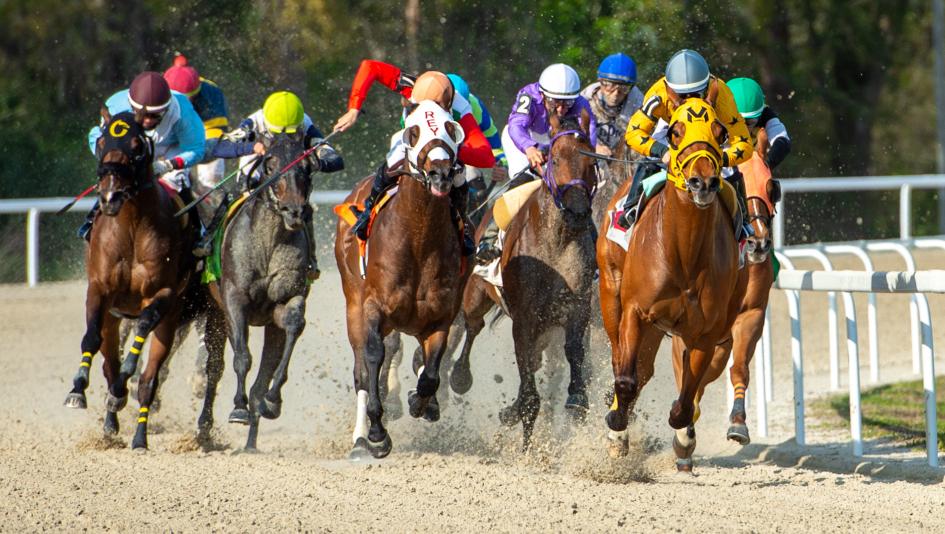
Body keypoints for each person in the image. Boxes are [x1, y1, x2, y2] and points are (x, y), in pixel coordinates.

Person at [336, 65, 495, 252]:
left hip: (444, 149)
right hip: (412, 142)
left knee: (459, 179)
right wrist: (354, 108)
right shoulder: (412, 85)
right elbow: (370, 67)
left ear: (448, 104)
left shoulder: (461, 108)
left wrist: (451, 149)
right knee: (391, 164)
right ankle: (368, 212)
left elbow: (487, 157)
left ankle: (463, 228)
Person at [201, 91, 344, 279]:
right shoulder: (254, 122)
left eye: (291, 134)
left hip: (288, 177)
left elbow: (335, 159)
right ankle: (208, 241)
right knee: (232, 198)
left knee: (304, 207)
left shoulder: (305, 123)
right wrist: (250, 147)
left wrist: (317, 161)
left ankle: (311, 259)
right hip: (255, 170)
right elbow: (220, 147)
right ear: (267, 123)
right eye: (278, 133)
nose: (284, 137)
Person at [617, 49, 754, 230]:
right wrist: (661, 151)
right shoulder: (658, 93)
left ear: (707, 86)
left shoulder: (722, 94)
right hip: (674, 130)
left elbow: (745, 144)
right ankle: (631, 207)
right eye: (682, 96)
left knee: (731, 172)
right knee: (649, 159)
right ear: (670, 90)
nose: (690, 100)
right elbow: (633, 132)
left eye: (698, 93)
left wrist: (721, 158)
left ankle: (744, 222)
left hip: (708, 136)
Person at [476, 63, 598, 262]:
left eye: (567, 103)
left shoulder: (581, 104)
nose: (561, 109)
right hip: (523, 140)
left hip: (558, 146)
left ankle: (594, 248)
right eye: (555, 102)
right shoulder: (529, 96)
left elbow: (589, 139)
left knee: (576, 190)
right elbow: (516, 127)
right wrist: (530, 148)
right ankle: (488, 238)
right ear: (542, 95)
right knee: (524, 182)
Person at [79, 71, 205, 240]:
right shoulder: (116, 107)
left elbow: (196, 149)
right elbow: (96, 137)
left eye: (155, 115)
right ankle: (91, 221)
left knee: (178, 181)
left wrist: (169, 165)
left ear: (167, 108)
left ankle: (197, 231)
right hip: (133, 148)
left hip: (169, 149)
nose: (147, 121)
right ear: (131, 106)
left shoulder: (183, 111)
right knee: (116, 178)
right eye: (142, 114)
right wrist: (110, 163)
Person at [163, 55, 231, 214]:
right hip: (171, 136)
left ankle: (217, 213)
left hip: (204, 133)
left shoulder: (211, 93)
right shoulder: (158, 93)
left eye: (189, 100)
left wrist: (192, 156)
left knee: (211, 176)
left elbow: (214, 138)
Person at [446, 73, 509, 216]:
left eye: (462, 106)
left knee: (474, 178)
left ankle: (476, 221)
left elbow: (495, 147)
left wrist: (502, 165)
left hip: (461, 154)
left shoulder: (476, 109)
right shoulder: (425, 103)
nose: (459, 111)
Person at [581, 53, 644, 156]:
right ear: (600, 82)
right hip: (591, 155)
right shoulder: (585, 100)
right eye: (610, 85)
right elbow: (572, 135)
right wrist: (593, 146)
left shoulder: (639, 103)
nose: (616, 94)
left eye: (623, 88)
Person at [727, 77, 791, 170]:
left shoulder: (766, 114)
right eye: (739, 122)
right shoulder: (712, 117)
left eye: (750, 122)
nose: (745, 130)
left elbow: (783, 141)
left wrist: (767, 163)